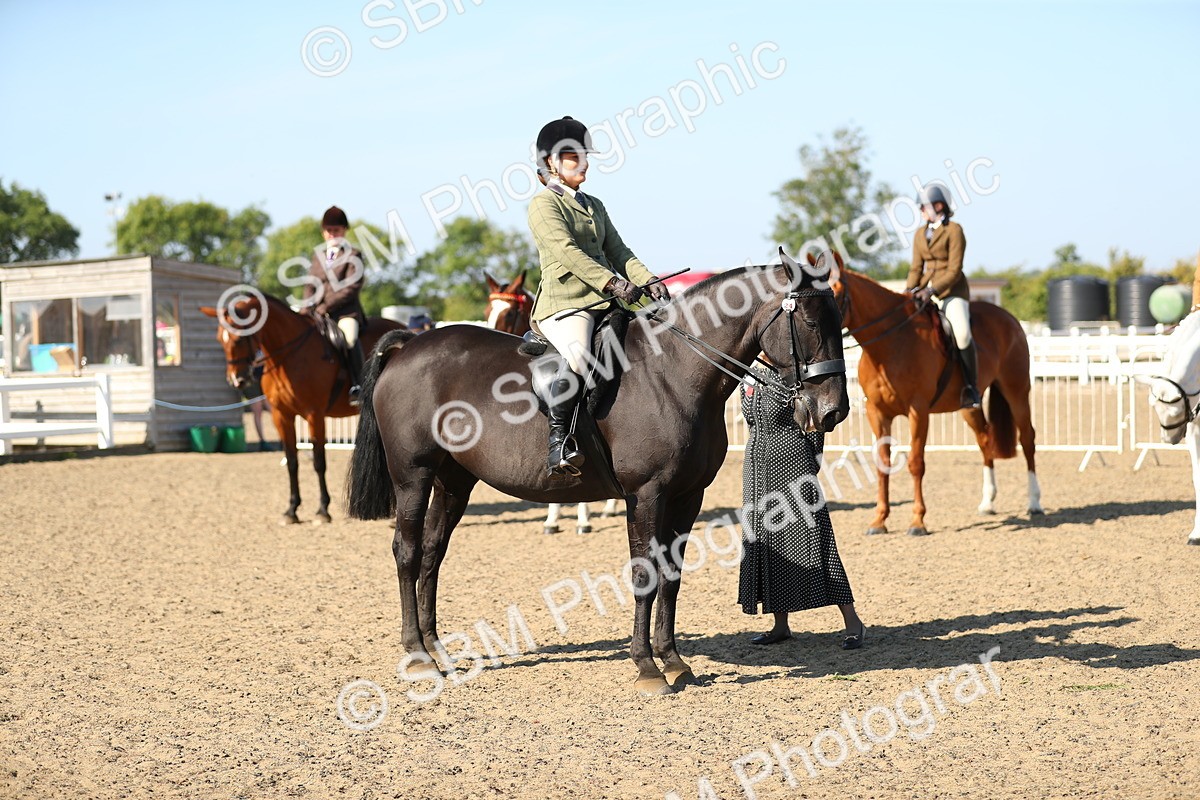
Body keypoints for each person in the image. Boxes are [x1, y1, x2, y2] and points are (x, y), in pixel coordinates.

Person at [526, 116, 669, 477]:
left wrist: (646, 278)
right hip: (567, 304)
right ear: (551, 163)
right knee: (580, 357)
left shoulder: (594, 204)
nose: (584, 162)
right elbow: (567, 252)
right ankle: (559, 443)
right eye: (573, 156)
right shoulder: (544, 205)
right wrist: (614, 284)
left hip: (605, 301)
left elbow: (619, 251)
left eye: (584, 155)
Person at [738, 359, 865, 649]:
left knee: (817, 542)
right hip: (756, 467)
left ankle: (853, 622)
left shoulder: (794, 372)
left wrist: (809, 464)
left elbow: (816, 423)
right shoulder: (749, 371)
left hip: (793, 465)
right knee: (766, 543)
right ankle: (780, 625)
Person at [905, 184, 981, 409]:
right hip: (923, 291)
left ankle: (971, 387)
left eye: (923, 206)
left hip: (950, 291)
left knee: (962, 334)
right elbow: (916, 267)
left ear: (939, 206)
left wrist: (932, 290)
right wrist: (908, 291)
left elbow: (954, 270)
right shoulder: (920, 233)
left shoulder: (954, 230)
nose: (920, 210)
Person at [304, 206, 367, 405]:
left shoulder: (353, 255)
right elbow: (310, 285)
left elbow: (350, 289)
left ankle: (358, 384)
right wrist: (305, 310)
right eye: (329, 231)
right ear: (324, 232)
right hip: (318, 314)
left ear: (345, 231)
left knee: (348, 338)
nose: (333, 234)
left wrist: (326, 307)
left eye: (337, 231)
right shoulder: (317, 257)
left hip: (344, 313)